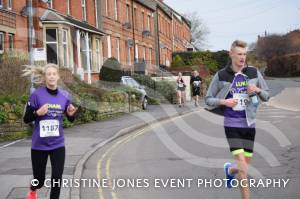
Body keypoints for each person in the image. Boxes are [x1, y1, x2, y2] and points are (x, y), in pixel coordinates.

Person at [205, 40, 270, 199]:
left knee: (243, 167)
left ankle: (230, 170)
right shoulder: (221, 75)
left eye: (245, 54)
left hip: (249, 124)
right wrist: (224, 102)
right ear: (231, 54)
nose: (242, 57)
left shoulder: (254, 73)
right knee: (243, 168)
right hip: (232, 124)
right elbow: (208, 99)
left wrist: (258, 89)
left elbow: (267, 95)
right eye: (239, 54)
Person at [23, 64, 77, 199]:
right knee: (39, 181)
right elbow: (26, 118)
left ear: (58, 77)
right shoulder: (36, 95)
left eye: (54, 74)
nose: (52, 76)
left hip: (58, 145)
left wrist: (71, 114)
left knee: (57, 179)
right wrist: (38, 112)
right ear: (44, 77)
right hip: (39, 145)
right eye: (49, 74)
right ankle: (33, 188)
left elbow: (70, 119)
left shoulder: (64, 96)